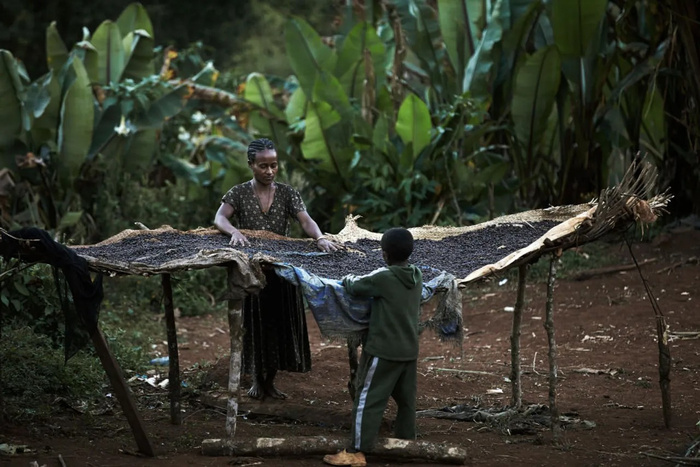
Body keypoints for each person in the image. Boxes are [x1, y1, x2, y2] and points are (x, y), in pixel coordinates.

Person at [214, 137, 340, 399]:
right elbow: (220, 218)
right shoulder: (238, 193)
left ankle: (270, 382)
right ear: (251, 165)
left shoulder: (287, 193)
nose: (269, 171)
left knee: (280, 325)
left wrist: (320, 238)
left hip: (282, 271)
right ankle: (256, 382)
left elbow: (305, 221)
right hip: (252, 273)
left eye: (273, 165)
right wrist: (234, 232)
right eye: (263, 166)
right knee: (255, 326)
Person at [323, 227, 423, 467]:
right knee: (407, 401)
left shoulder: (384, 277)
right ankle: (406, 445)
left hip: (383, 351)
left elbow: (355, 286)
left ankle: (356, 451)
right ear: (410, 253)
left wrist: (347, 277)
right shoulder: (417, 275)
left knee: (367, 399)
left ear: (385, 255)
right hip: (408, 351)